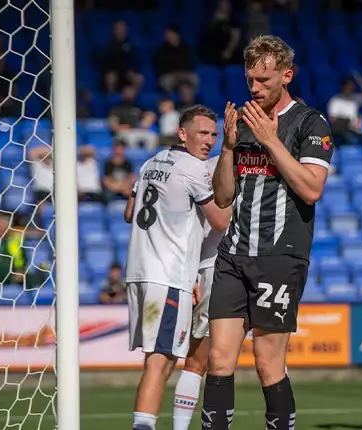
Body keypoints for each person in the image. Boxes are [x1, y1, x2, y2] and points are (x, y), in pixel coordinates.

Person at [202, 35, 334, 430]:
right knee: (218, 360)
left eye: (263, 80)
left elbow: (312, 189)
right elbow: (223, 198)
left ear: (286, 76)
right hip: (233, 254)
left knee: (266, 362)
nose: (254, 88)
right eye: (249, 80)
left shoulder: (311, 123)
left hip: (279, 257)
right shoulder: (243, 123)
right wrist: (226, 148)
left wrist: (272, 142)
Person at [123, 105, 231, 430]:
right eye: (202, 133)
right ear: (182, 132)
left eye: (213, 134)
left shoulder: (150, 162)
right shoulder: (194, 168)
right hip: (167, 277)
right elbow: (221, 220)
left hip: (138, 272)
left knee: (158, 362)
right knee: (160, 364)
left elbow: (130, 213)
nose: (209, 141)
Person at [171, 155, 225, 430]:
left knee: (271, 356)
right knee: (199, 359)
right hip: (215, 265)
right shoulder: (206, 169)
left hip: (243, 265)